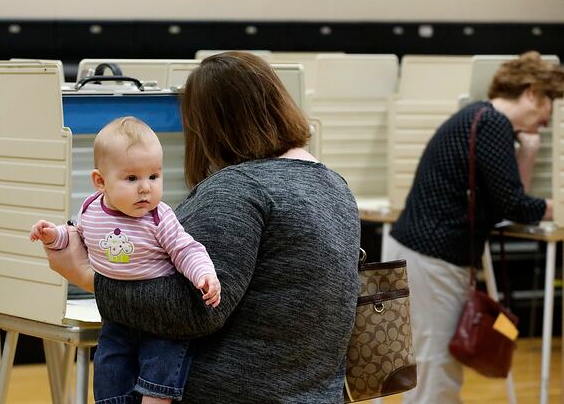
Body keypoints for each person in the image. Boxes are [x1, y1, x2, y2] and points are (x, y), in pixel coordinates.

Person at [45, 51, 361, 403]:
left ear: (207, 124)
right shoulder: (334, 184)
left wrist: (87, 276)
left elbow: (192, 310)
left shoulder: (237, 191)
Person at [384, 51, 564, 403]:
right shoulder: (492, 123)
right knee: (437, 363)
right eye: (550, 103)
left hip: (419, 251)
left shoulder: (479, 118)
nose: (549, 117)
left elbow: (504, 204)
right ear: (532, 92)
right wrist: (557, 206)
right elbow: (514, 204)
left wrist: (527, 151)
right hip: (433, 255)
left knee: (429, 360)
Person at [31, 116, 221, 404]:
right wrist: (50, 235)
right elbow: (75, 235)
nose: (145, 188)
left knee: (159, 375)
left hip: (161, 318)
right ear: (100, 182)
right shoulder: (92, 209)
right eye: (132, 178)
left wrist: (203, 274)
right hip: (116, 315)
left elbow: (186, 249)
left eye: (154, 176)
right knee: (109, 370)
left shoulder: (159, 218)